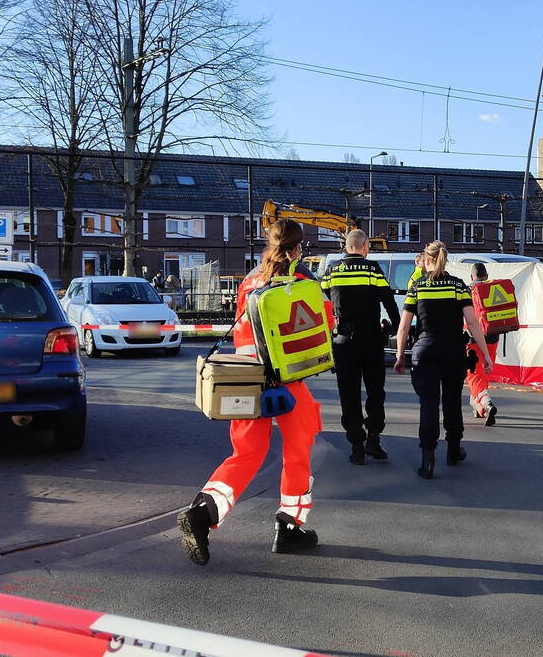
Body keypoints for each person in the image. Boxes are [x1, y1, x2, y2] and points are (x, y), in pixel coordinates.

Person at [176, 219, 324, 566]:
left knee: (246, 454)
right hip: (287, 383)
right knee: (298, 452)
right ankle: (289, 526)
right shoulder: (302, 283)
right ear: (297, 248)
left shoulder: (249, 282)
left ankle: (202, 513)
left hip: (248, 379)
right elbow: (323, 325)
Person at [394, 241, 493, 479]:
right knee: (451, 400)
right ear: (445, 260)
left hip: (425, 350)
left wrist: (399, 356)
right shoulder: (458, 286)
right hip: (453, 351)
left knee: (428, 403)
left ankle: (427, 458)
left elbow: (404, 326)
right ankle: (453, 450)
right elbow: (472, 323)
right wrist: (486, 354)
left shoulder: (417, 287)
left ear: (426, 260)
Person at [320, 229, 400, 465]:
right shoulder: (373, 270)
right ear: (365, 246)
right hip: (371, 339)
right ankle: (373, 438)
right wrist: (398, 330)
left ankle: (356, 445)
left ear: (347, 246)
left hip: (343, 340)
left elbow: (321, 298)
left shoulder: (332, 270)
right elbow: (389, 302)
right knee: (375, 391)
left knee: (349, 393)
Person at [465, 263, 500, 426]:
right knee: (485, 372)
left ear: (472, 277)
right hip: (492, 337)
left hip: (472, 338)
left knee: (474, 375)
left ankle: (486, 403)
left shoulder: (467, 291)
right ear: (486, 276)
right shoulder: (494, 288)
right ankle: (478, 406)